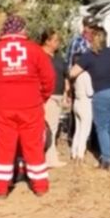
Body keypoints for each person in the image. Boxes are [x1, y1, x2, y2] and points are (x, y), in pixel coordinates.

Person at [0, 15, 55, 198]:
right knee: (34, 146)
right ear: (22, 30)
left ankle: (0, 188)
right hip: (31, 106)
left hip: (2, 108)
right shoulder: (35, 50)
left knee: (3, 148)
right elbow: (49, 78)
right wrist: (41, 98)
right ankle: (40, 186)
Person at [70, 27, 110, 170]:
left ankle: (106, 160)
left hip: (103, 93)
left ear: (91, 39)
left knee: (102, 127)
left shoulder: (89, 56)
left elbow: (72, 73)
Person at [40, 29, 70, 169]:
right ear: (47, 41)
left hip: (58, 95)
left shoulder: (58, 56)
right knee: (49, 127)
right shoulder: (40, 55)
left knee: (53, 126)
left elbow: (65, 73)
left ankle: (49, 155)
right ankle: (49, 158)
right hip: (46, 96)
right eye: (56, 40)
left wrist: (66, 91)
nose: (58, 43)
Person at [70, 55, 94, 162]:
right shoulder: (85, 75)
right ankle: (80, 153)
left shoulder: (74, 76)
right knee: (85, 130)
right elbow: (90, 92)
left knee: (78, 129)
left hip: (77, 102)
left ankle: (73, 151)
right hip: (85, 102)